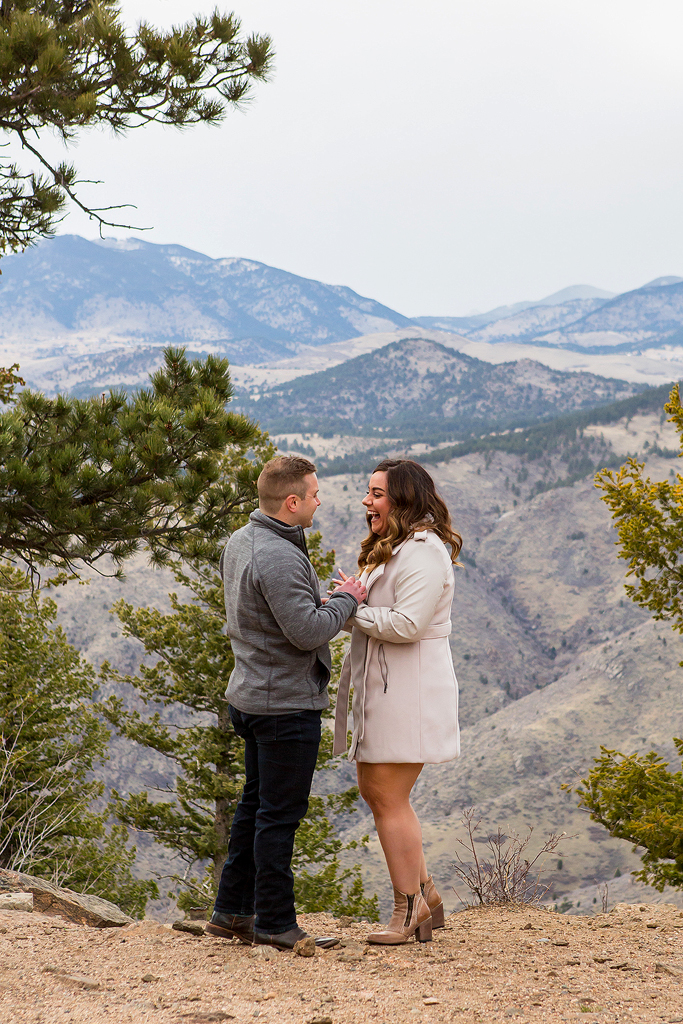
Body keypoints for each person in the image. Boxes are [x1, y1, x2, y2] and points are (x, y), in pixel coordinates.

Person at [207, 455, 366, 949]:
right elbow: (306, 631)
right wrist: (350, 598)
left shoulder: (241, 541)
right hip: (283, 706)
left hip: (252, 695)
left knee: (255, 807)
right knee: (279, 816)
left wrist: (322, 601)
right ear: (292, 502)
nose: (321, 500)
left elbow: (275, 616)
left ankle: (231, 912)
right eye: (314, 493)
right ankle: (276, 923)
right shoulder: (276, 554)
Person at [332, 459, 462, 945]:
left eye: (377, 494)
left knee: (388, 796)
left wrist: (356, 608)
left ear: (403, 499)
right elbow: (379, 614)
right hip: (389, 690)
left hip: (410, 691)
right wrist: (349, 601)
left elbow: (407, 625)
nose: (367, 502)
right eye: (369, 493)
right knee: (377, 791)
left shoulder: (425, 552)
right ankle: (425, 896)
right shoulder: (399, 548)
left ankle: (406, 910)